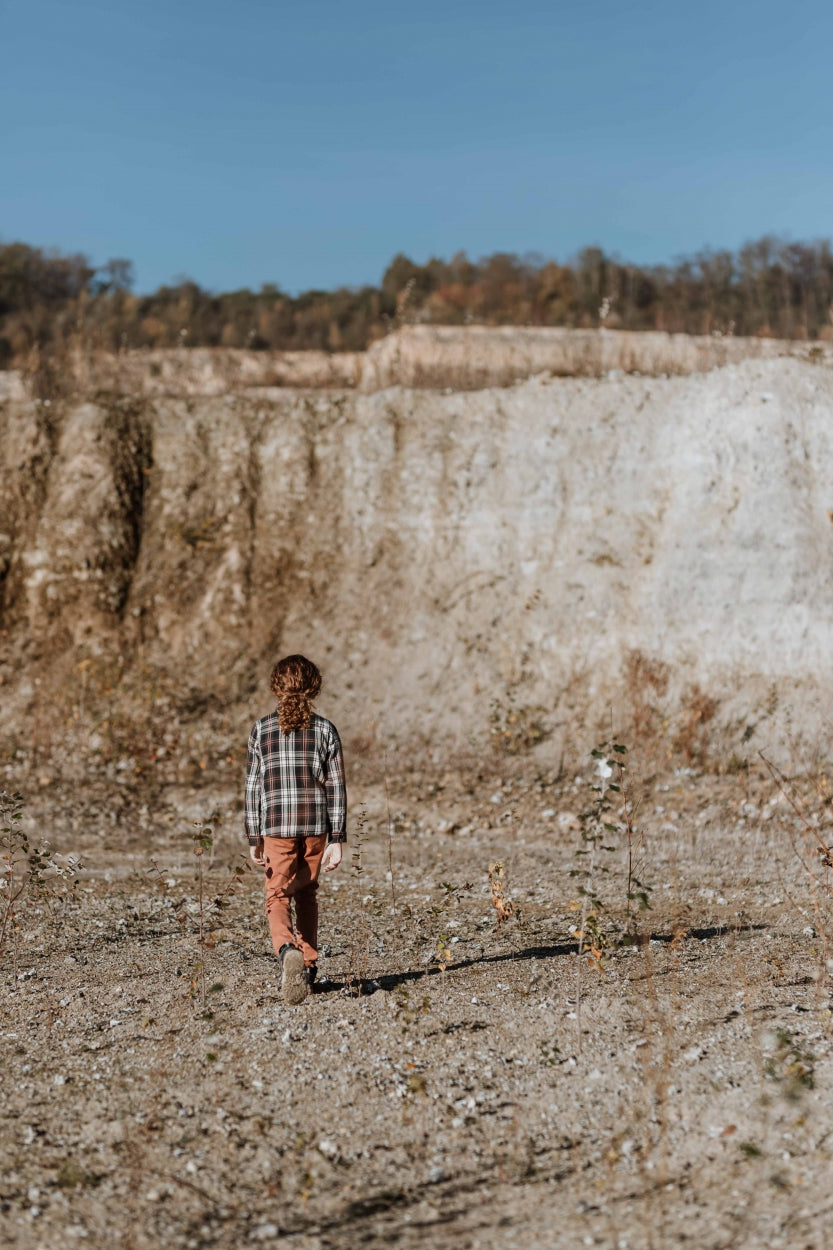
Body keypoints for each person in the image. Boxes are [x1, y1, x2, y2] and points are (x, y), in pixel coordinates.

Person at [244, 655, 346, 1004]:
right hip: (316, 826)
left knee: (277, 895)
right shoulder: (325, 730)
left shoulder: (261, 730)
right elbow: (336, 788)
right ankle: (311, 966)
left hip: (276, 826)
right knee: (307, 893)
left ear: (276, 687)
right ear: (314, 687)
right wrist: (338, 838)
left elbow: (253, 788)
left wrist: (254, 837)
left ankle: (287, 949)